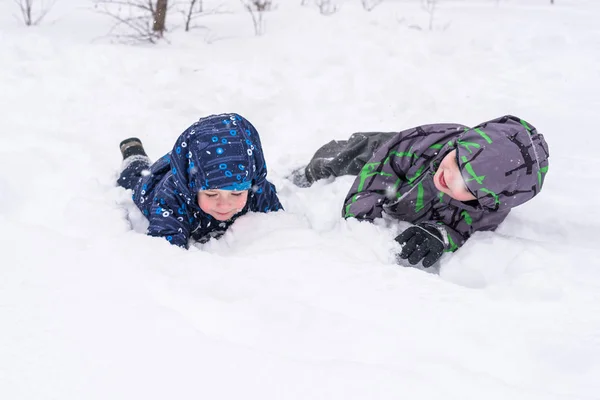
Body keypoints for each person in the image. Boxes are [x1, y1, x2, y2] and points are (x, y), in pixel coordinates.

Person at [292, 115, 550, 268]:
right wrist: (361, 217)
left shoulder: (489, 208)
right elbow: (379, 171)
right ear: (459, 144)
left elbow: (465, 231)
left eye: (467, 185)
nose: (450, 177)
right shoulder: (426, 142)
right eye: (458, 162)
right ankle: (309, 172)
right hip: (388, 153)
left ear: (485, 200)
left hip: (417, 198)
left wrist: (440, 235)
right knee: (347, 154)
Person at [117, 113, 283, 248]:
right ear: (192, 187)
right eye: (211, 194)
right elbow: (165, 252)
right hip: (154, 181)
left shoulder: (257, 188)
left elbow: (280, 224)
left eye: (237, 193)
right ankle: (134, 155)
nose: (224, 205)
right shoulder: (171, 200)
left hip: (195, 166)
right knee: (135, 177)